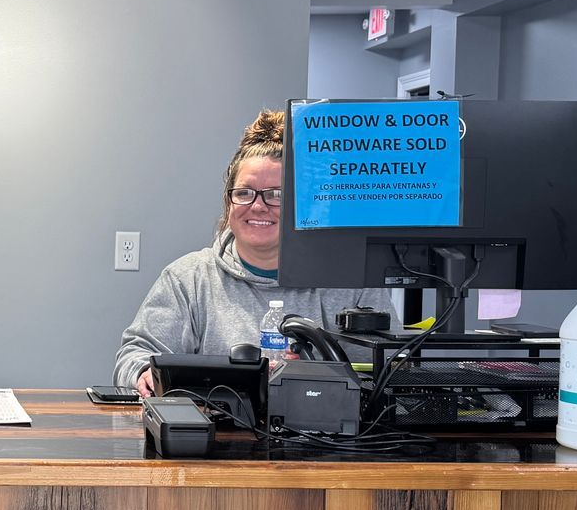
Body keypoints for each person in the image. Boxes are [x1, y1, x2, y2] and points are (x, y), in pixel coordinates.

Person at [114, 110, 387, 396]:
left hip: (325, 438)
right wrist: (143, 372)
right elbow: (135, 354)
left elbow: (386, 374)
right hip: (213, 436)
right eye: (244, 193)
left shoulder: (352, 282)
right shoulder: (188, 279)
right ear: (228, 201)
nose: (258, 206)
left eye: (277, 194)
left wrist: (313, 375)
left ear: (304, 207)